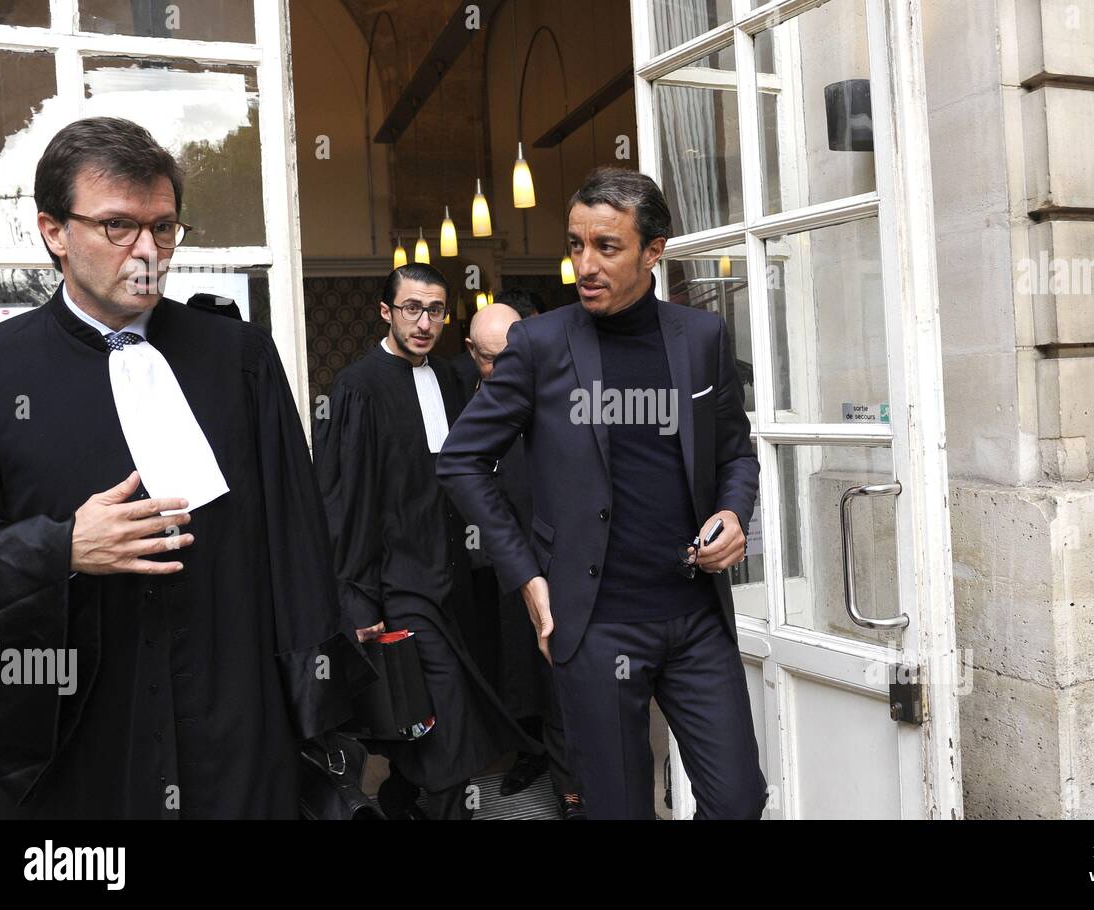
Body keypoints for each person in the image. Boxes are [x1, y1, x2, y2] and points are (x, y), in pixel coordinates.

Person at [0, 116, 369, 819]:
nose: (148, 252)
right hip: (78, 741)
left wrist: (321, 719)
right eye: (118, 227)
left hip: (236, 727)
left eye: (164, 228)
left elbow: (297, 547)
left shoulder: (240, 358)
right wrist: (60, 547)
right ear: (53, 231)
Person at [438, 167, 768, 819]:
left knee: (738, 799)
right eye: (575, 245)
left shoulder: (701, 339)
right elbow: (461, 460)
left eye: (607, 247)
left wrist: (733, 511)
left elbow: (735, 451)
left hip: (695, 614)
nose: (585, 264)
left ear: (654, 250)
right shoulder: (539, 345)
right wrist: (530, 581)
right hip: (594, 624)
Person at [313, 263, 538, 820]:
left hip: (458, 579)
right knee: (447, 719)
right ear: (386, 311)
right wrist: (358, 599)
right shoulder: (357, 388)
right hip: (399, 580)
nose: (423, 321)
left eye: (435, 310)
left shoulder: (449, 378)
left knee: (435, 715)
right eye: (411, 308)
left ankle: (398, 798)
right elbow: (346, 503)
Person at [462, 302, 586, 819]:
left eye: (512, 354)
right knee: (513, 670)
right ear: (472, 355)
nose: (505, 367)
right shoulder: (461, 398)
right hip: (493, 563)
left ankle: (573, 792)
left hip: (558, 561)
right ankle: (529, 755)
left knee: (561, 676)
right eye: (493, 359)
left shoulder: (558, 390)